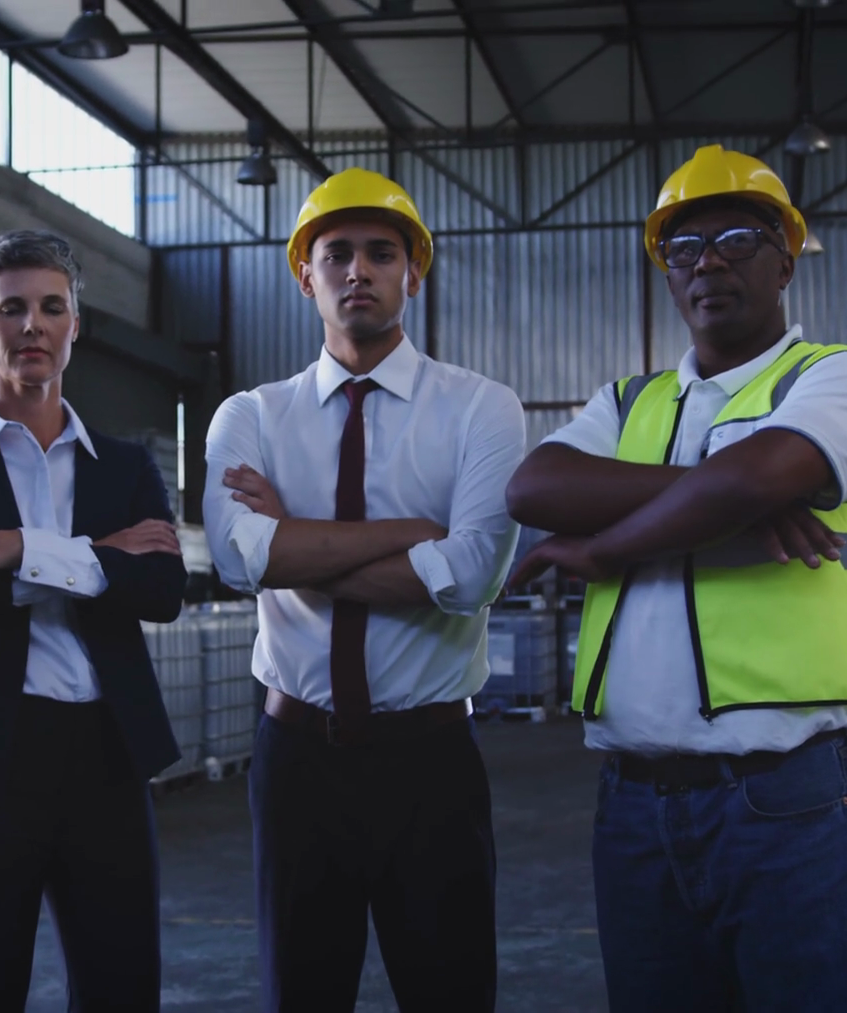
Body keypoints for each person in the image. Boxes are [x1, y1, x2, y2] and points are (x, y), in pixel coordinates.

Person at [506, 145, 847, 1012]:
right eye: (683, 248)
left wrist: (610, 546)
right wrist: (733, 499)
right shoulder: (628, 403)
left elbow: (752, 475)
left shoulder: (839, 378)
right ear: (667, 272)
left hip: (792, 799)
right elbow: (534, 487)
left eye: (736, 239)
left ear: (785, 260)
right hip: (634, 804)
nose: (709, 263)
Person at [203, 168, 525, 1012]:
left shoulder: (482, 409)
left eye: (382, 253)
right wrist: (413, 534)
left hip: (432, 763)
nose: (358, 271)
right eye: (336, 254)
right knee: (301, 994)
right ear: (304, 275)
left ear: (413, 273)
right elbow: (237, 558)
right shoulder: (251, 415)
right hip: (298, 759)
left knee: (452, 994)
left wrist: (292, 539)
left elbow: (471, 574)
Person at [0, 230, 187, 1013]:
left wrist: (12, 548)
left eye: (52, 307)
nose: (33, 325)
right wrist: (94, 559)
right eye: (11, 308)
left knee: (123, 993)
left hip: (106, 763)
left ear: (74, 325)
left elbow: (161, 588)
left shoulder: (124, 465)